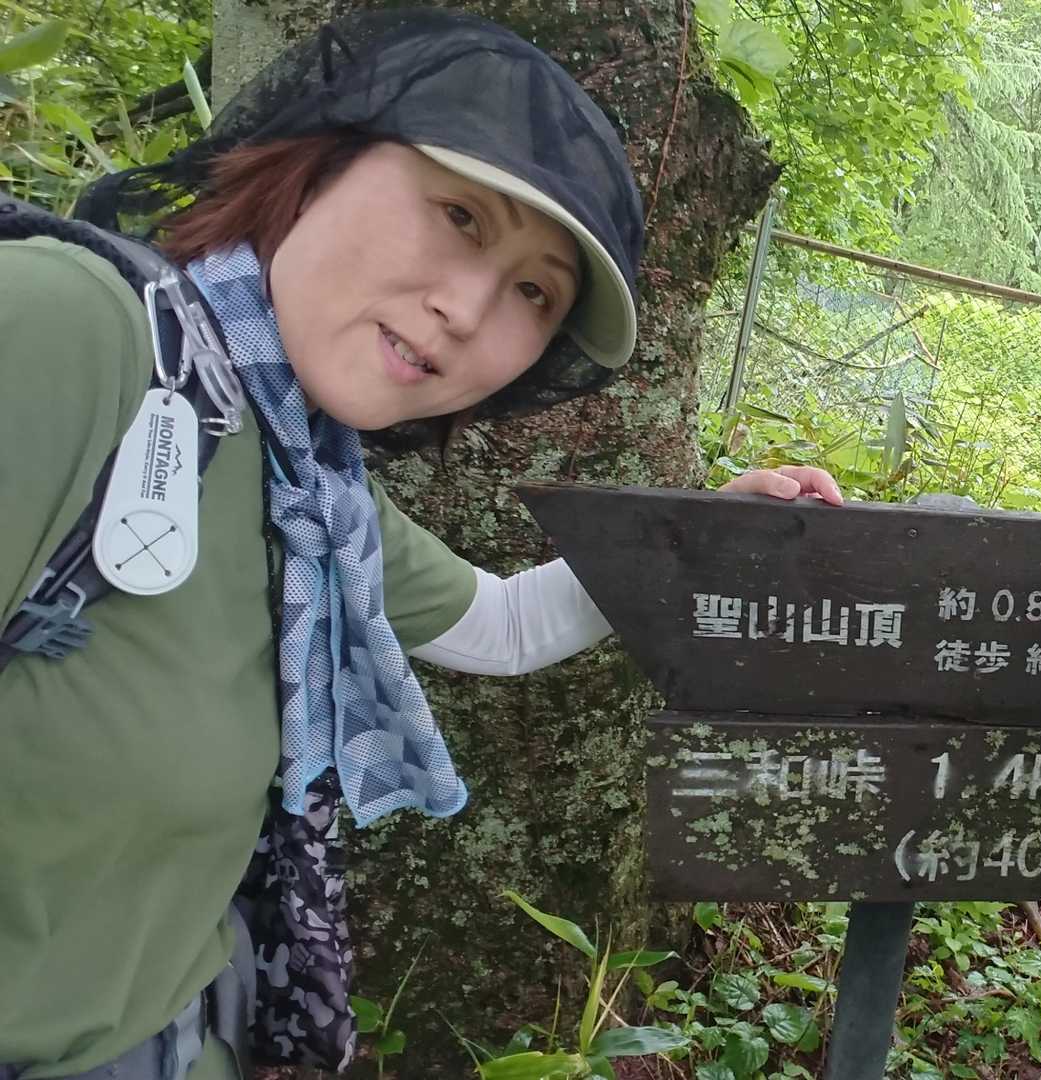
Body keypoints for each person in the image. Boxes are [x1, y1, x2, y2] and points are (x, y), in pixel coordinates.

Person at [0, 10, 837, 1078]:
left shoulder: (303, 481)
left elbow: (502, 625)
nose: (468, 308)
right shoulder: (72, 335)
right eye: (460, 215)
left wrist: (703, 533)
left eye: (535, 291)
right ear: (320, 163)